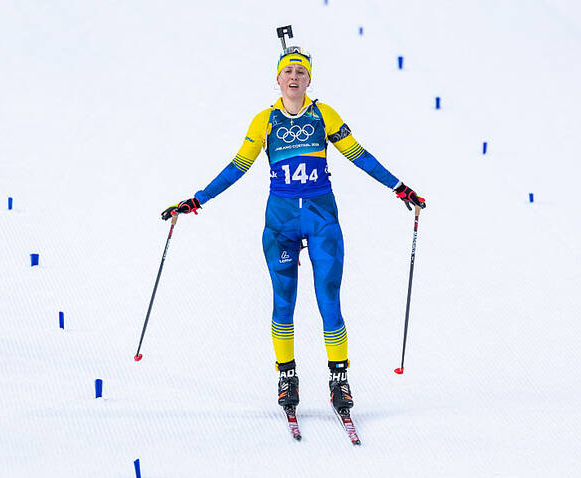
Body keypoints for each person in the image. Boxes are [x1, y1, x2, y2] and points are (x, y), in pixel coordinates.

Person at [162, 45, 426, 415]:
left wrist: (399, 188)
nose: (294, 77)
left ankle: (339, 380)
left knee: (329, 300)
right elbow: (237, 167)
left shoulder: (324, 115)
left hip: (321, 219)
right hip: (281, 223)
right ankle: (287, 376)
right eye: (288, 71)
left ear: (309, 80)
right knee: (283, 300)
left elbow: (360, 155)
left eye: (301, 72)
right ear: (277, 78)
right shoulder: (264, 121)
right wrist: (197, 200)